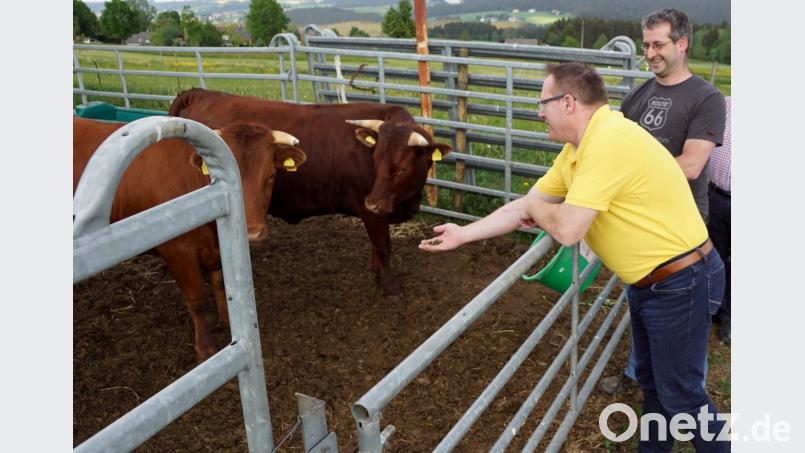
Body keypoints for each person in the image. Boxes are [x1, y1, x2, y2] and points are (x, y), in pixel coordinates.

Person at [420, 62, 728, 452]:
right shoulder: (578, 150)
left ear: (567, 103)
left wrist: (541, 209)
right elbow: (527, 206)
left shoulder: (609, 142)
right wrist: (464, 233)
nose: (539, 112)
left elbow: (566, 229)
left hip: (682, 280)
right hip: (653, 281)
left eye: (542, 103)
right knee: (654, 386)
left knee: (682, 396)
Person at [598, 8, 726, 396]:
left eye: (658, 44)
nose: (650, 53)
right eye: (646, 45)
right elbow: (614, 149)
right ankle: (641, 375)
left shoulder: (706, 98)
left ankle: (688, 395)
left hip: (680, 228)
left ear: (682, 43)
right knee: (643, 301)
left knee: (684, 317)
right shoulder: (638, 95)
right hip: (638, 222)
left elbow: (691, 165)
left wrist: (625, 181)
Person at [706, 96, 731, 344]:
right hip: (716, 194)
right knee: (714, 255)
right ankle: (714, 306)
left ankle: (730, 316)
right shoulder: (723, 105)